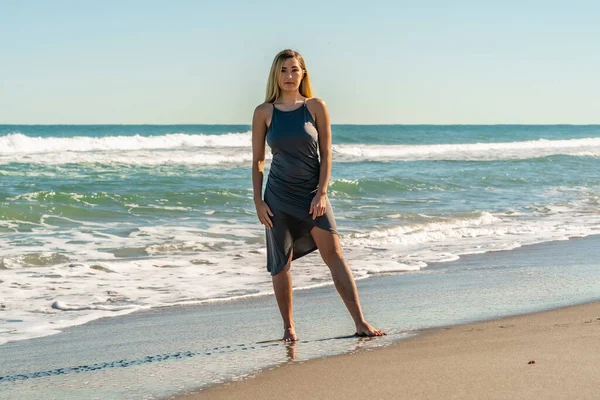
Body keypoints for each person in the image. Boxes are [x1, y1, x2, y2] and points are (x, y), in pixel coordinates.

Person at [251, 49, 385, 342]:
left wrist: (322, 193)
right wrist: (258, 200)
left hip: (312, 195)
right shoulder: (264, 111)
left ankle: (360, 321)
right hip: (277, 198)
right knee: (280, 264)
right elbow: (258, 160)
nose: (289, 76)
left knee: (335, 255)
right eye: (284, 70)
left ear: (303, 73)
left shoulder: (315, 107)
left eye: (294, 70)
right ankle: (288, 328)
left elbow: (326, 153)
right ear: (276, 74)